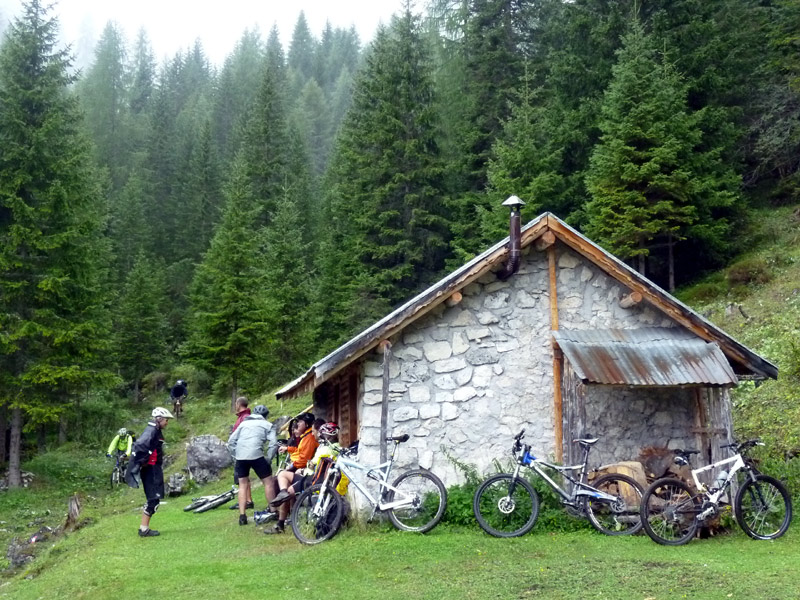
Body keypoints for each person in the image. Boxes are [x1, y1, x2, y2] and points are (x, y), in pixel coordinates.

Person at [257, 412, 318, 534]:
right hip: (303, 470)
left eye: (299, 422)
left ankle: (281, 520)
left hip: (306, 473)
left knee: (279, 482)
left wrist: (291, 466)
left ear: (306, 424)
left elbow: (303, 459)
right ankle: (282, 520)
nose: (296, 425)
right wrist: (288, 449)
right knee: (283, 487)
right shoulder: (305, 437)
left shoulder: (309, 438)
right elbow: (300, 452)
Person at [125, 407, 174, 537]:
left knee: (154, 498)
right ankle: (143, 529)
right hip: (151, 469)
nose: (167, 423)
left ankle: (144, 528)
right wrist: (144, 461)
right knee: (153, 499)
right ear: (159, 419)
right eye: (166, 420)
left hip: (153, 468)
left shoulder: (153, 430)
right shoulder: (151, 431)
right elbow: (140, 445)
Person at [227, 404, 278, 526]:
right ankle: (273, 510)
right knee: (268, 482)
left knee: (243, 484)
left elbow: (230, 442)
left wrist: (236, 454)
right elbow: (273, 444)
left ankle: (242, 516)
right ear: (265, 416)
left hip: (241, 456)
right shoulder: (268, 425)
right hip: (256, 455)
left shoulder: (243, 424)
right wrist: (269, 459)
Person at [229, 396, 254, 510]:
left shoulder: (245, 417)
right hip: (242, 449)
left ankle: (246, 501)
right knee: (244, 477)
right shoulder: (243, 416)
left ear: (239, 404)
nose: (235, 406)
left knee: (242, 477)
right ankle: (247, 500)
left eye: (236, 404)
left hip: (243, 450)